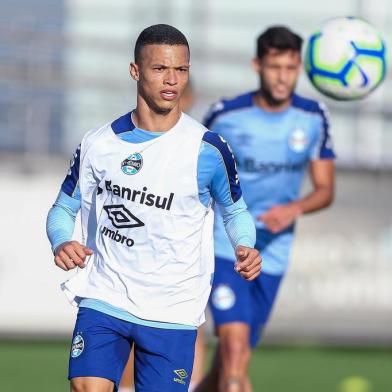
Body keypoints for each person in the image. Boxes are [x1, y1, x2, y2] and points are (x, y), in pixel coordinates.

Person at [46, 24, 261, 392]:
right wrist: (61, 242)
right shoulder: (99, 143)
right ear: (135, 71)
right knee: (86, 387)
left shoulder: (208, 149)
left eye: (181, 70)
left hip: (172, 309)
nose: (172, 80)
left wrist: (245, 244)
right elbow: (63, 209)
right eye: (160, 69)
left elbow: (236, 211)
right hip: (106, 295)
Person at [195, 26, 335, 392]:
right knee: (235, 351)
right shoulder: (226, 115)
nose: (283, 77)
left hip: (273, 252)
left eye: (290, 68)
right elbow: (192, 169)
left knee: (229, 363)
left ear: (300, 69)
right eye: (275, 67)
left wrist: (293, 210)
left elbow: (325, 190)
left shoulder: (313, 117)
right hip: (226, 246)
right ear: (258, 65)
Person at [117, 80, 205, 392]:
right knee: (129, 330)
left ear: (190, 96)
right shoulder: (131, 141)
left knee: (193, 324)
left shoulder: (201, 147)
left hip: (182, 262)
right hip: (136, 259)